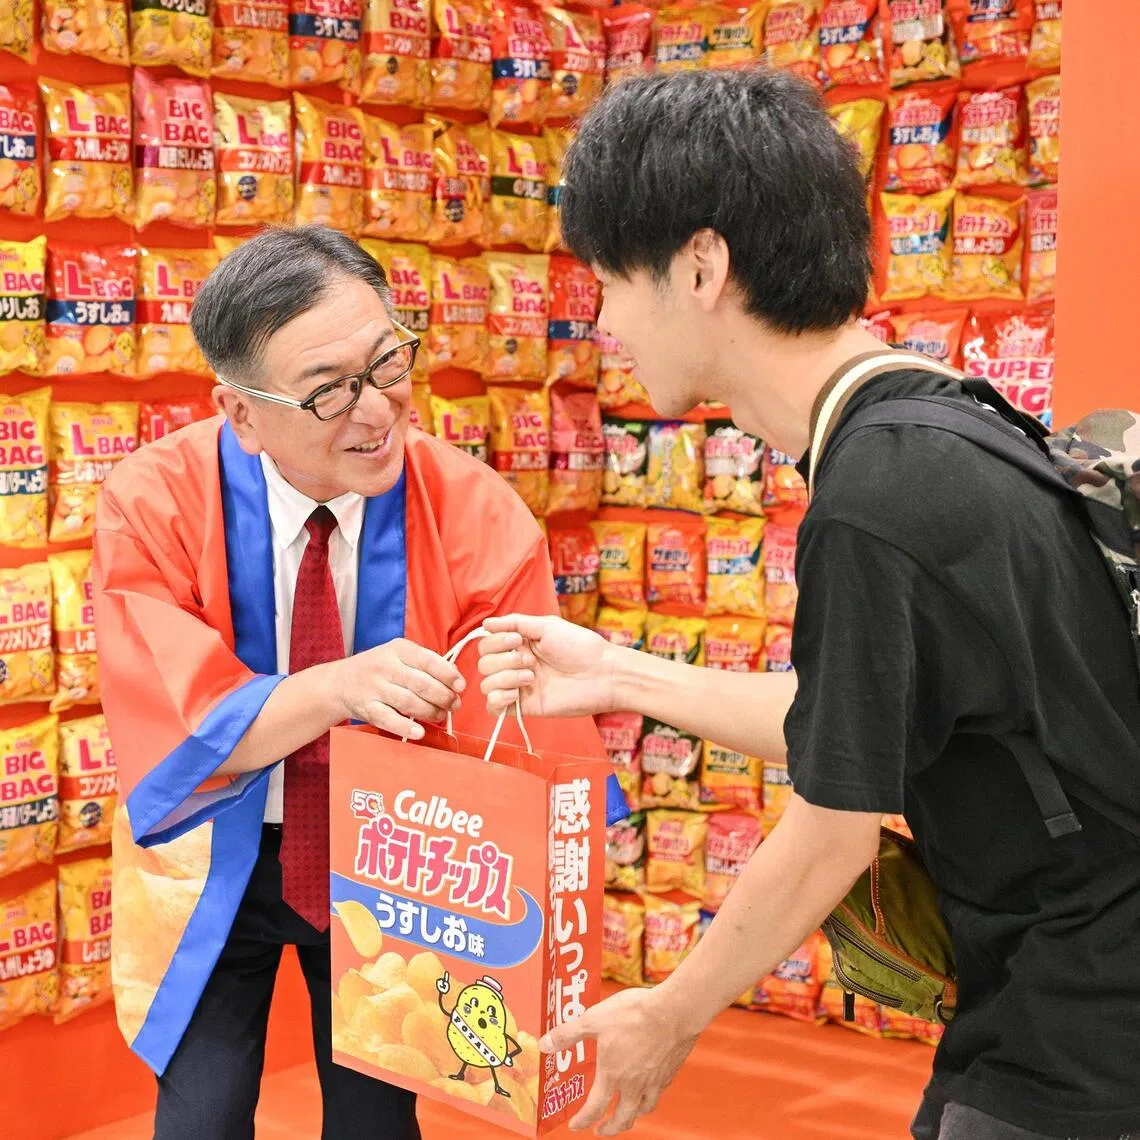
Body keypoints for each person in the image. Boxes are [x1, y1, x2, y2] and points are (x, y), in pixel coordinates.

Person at [474, 70, 1140, 1140]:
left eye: (606, 281)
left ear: (699, 267)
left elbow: (831, 826)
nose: (601, 322)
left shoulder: (875, 501)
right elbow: (865, 715)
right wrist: (616, 674)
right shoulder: (941, 416)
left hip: (1078, 1041)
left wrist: (671, 1012)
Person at [92, 225, 610, 1140]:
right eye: (328, 391)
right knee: (199, 1117)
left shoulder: (473, 508)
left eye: (387, 363)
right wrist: (341, 687)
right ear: (239, 412)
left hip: (397, 864)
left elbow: (527, 735)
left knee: (378, 1117)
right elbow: (179, 718)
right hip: (213, 859)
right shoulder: (153, 501)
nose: (375, 411)